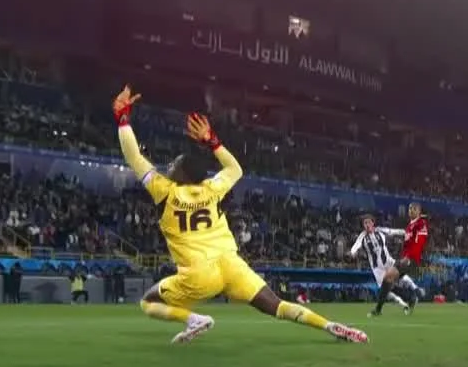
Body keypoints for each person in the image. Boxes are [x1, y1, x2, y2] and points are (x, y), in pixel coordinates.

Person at [112, 86, 364, 345]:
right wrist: (212, 141)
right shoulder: (212, 189)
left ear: (184, 173)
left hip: (198, 273)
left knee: (148, 301)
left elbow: (134, 157)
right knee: (276, 305)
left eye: (173, 164)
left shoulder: (165, 192)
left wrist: (123, 119)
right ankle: (330, 326)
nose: (169, 167)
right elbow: (235, 169)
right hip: (231, 266)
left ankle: (193, 319)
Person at [351, 214, 413, 316]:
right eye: (365, 223)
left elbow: (392, 231)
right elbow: (354, 247)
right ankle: (403, 304)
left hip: (389, 262)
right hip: (377, 268)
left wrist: (404, 231)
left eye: (369, 222)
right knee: (386, 289)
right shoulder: (362, 237)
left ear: (373, 223)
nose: (367, 224)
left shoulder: (380, 230)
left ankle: (411, 296)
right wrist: (353, 253)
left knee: (400, 278)